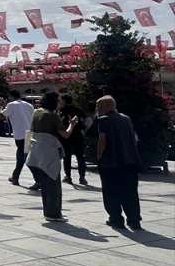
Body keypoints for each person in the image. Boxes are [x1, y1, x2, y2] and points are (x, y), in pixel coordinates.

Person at [27, 91, 78, 223]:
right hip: (50, 152)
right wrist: (71, 125)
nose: (60, 103)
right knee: (53, 183)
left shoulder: (36, 112)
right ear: (53, 101)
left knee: (45, 184)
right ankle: (54, 214)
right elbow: (65, 135)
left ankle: (48, 211)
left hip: (37, 151)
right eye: (59, 100)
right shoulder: (52, 115)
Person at [95, 95, 141, 230]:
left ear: (105, 106)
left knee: (111, 192)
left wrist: (99, 156)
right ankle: (134, 220)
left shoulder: (104, 120)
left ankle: (116, 219)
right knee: (130, 192)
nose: (98, 109)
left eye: (99, 106)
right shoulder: (126, 118)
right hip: (130, 161)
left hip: (111, 162)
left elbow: (102, 139)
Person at [1, 89, 38, 189]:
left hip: (20, 135)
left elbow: (1, 116)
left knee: (25, 157)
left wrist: (2, 105)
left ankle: (38, 179)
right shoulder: (29, 105)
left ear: (11, 96)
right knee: (20, 156)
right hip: (29, 133)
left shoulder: (12, 105)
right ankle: (15, 176)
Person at [59, 94, 89, 186]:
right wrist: (85, 130)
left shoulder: (61, 110)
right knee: (80, 156)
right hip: (78, 135)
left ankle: (68, 176)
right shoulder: (78, 109)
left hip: (66, 135)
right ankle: (82, 177)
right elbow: (89, 120)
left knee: (66, 157)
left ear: (64, 101)